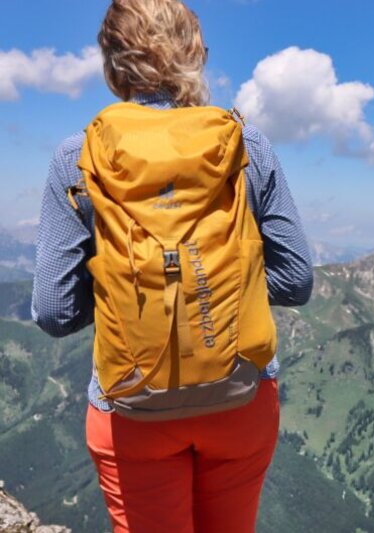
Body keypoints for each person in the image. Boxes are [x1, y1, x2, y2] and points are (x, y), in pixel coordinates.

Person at [30, 1, 313, 531]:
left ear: (112, 66)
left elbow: (53, 312)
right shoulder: (246, 147)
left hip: (131, 407)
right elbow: (296, 281)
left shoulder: (78, 156)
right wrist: (219, 290)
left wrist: (134, 293)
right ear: (197, 56)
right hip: (241, 398)